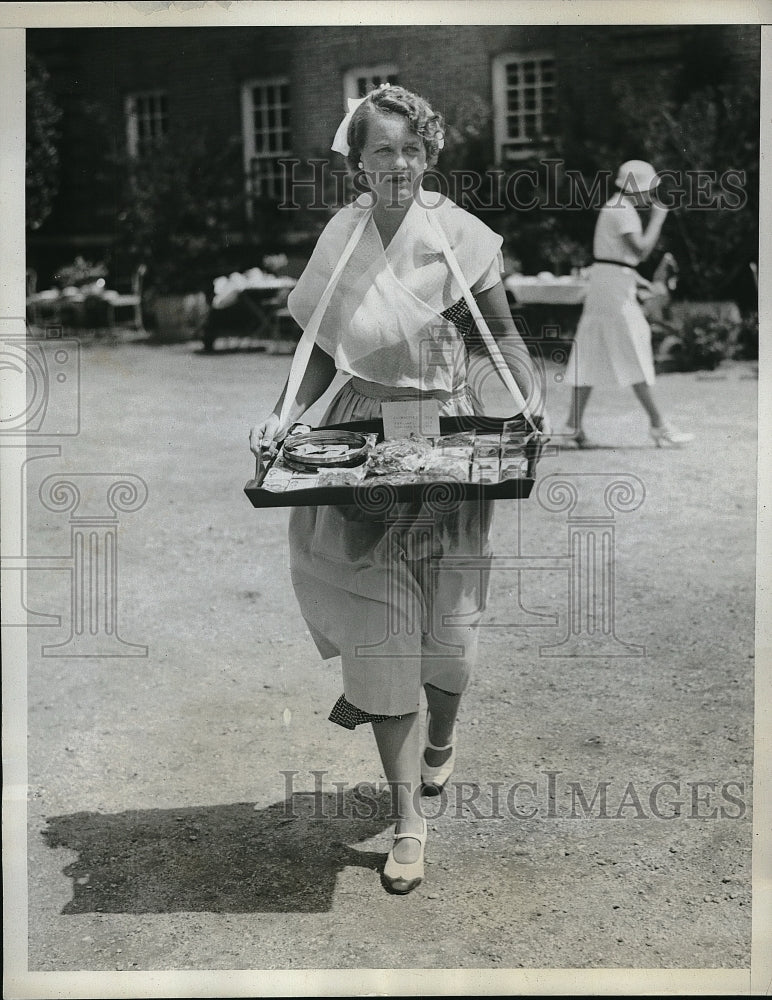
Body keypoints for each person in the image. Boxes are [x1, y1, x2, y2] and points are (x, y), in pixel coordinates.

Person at [249, 85, 547, 894]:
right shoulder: (342, 235)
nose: (399, 164)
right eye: (382, 150)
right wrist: (281, 417)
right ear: (357, 162)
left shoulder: (458, 236)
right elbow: (318, 347)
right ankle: (409, 818)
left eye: (412, 148)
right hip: (358, 439)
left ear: (431, 153)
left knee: (449, 634)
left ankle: (441, 744)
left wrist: (524, 405)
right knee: (384, 634)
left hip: (445, 437)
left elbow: (505, 341)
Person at [562, 159, 694, 448]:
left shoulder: (617, 207)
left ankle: (573, 426)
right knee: (631, 344)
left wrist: (637, 279)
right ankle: (659, 425)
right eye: (649, 189)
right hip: (611, 291)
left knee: (591, 350)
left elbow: (618, 257)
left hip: (609, 284)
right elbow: (641, 250)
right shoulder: (622, 210)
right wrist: (659, 219)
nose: (651, 195)